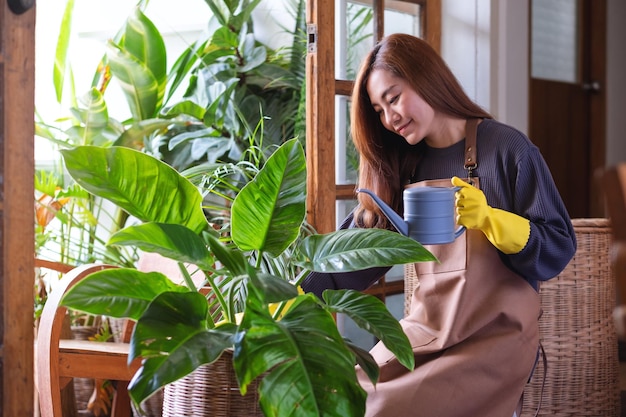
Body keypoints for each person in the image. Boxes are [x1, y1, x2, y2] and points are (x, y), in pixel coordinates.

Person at [301, 33, 576, 417]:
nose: (389, 117)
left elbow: (558, 248)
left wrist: (492, 220)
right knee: (345, 394)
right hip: (425, 334)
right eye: (379, 110)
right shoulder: (405, 168)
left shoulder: (508, 149)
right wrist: (283, 293)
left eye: (393, 98)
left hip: (494, 342)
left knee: (383, 408)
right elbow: (354, 256)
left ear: (426, 77)